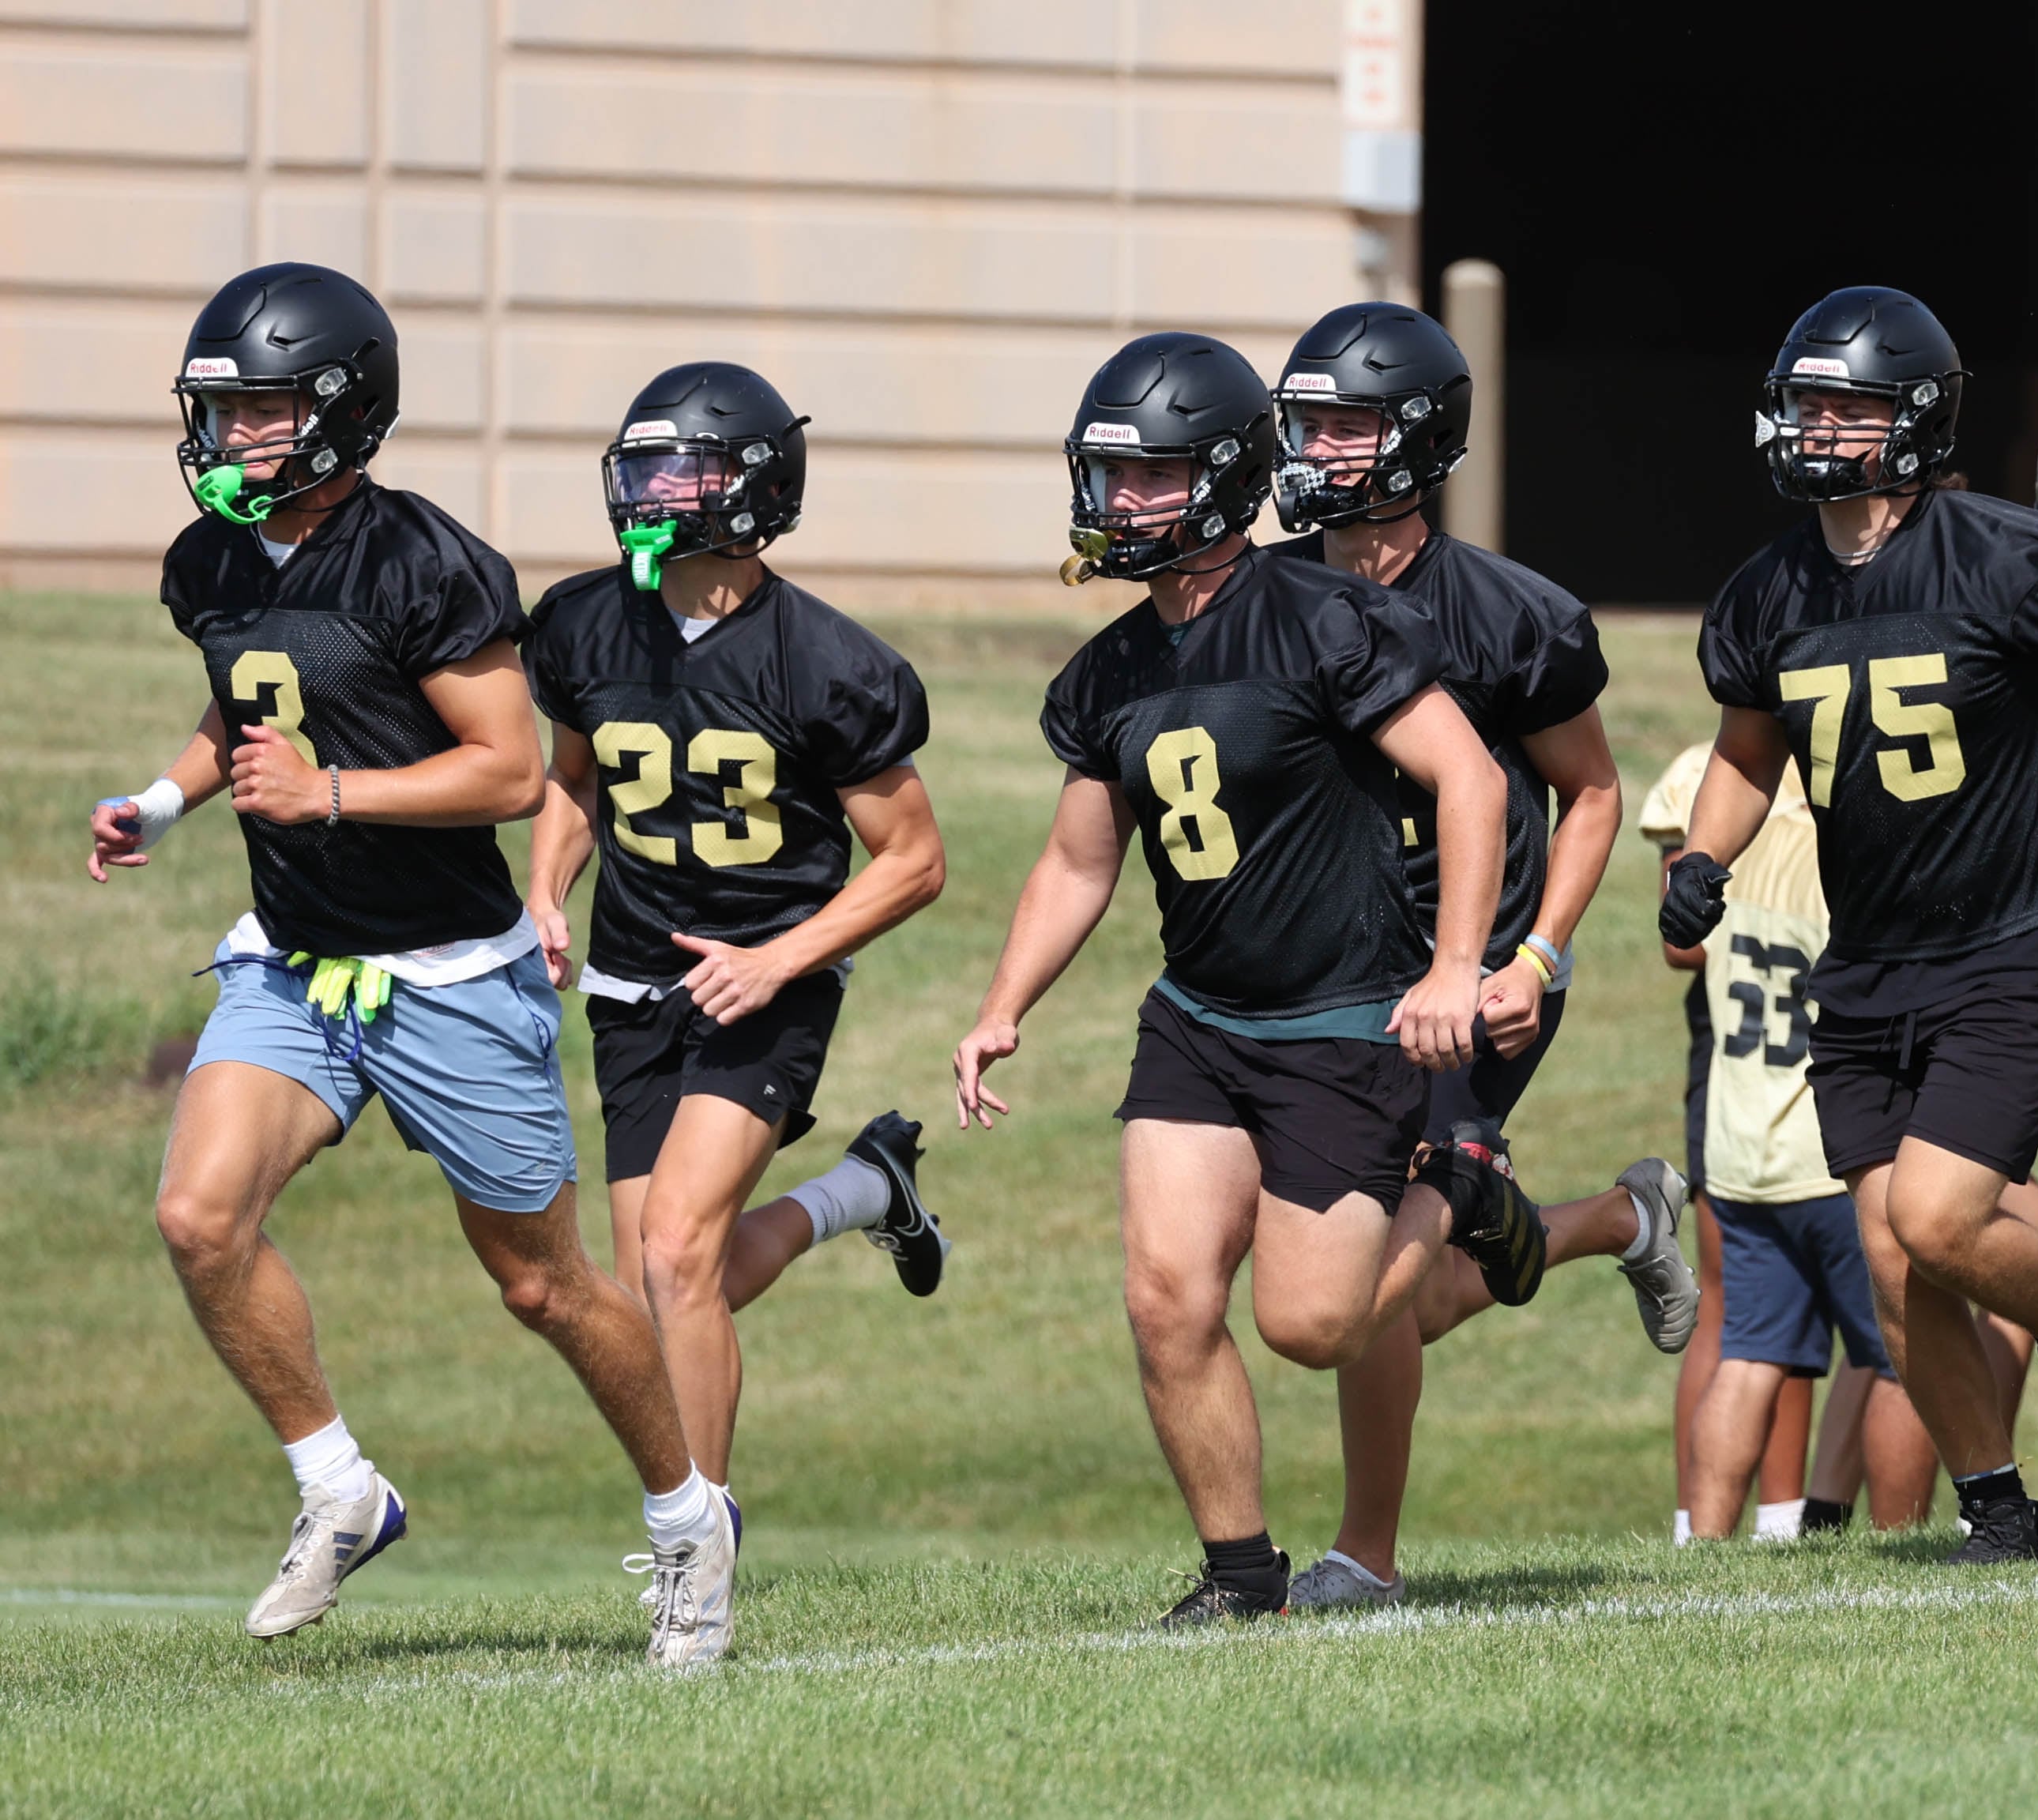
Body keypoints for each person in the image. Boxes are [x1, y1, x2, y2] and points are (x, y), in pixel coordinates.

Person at [88, 261, 718, 1661]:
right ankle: (340, 1488)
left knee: (543, 1283)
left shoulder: (420, 558)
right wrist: (167, 799)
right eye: (222, 410)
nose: (232, 436)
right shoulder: (211, 559)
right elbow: (252, 694)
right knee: (198, 1216)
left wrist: (327, 798)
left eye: (260, 411)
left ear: (339, 411)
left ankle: (689, 1523)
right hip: (298, 965)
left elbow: (504, 772)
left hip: (445, 971)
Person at [949, 332, 1526, 1624]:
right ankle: (1240, 1578)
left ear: (1223, 479)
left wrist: (1452, 967)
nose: (1122, 504)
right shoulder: (1106, 672)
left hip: (1340, 1019)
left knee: (1314, 1327)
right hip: (1200, 1023)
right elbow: (1075, 863)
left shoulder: (1321, 616)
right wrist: (1000, 1008)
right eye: (1110, 478)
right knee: (1164, 1297)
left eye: (1153, 476)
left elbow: (1472, 777)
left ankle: (1458, 1197)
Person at [1668, 286, 2038, 1563]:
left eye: (1846, 407)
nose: (1815, 429)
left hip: (2015, 941)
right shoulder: (1766, 594)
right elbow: (1749, 756)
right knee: (1890, 1261)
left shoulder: (1998, 551)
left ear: (1912, 420)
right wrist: (1701, 857)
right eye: (1803, 403)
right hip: (1865, 961)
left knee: (1937, 1217)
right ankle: (1997, 1508)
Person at [1264, 303, 1695, 1610]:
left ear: (1414, 439)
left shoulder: (1514, 617)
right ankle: (1620, 1218)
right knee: (1431, 1289)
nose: (1317, 449)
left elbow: (1595, 794)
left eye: (1346, 425)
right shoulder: (1268, 596)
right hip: (1326, 979)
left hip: (1474, 972)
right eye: (1309, 423)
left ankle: (1363, 1555)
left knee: (1368, 1281)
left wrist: (1538, 959)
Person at [524, 363, 951, 1574]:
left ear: (757, 489)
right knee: (659, 1286)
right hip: (629, 979)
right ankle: (862, 1193)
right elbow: (576, 775)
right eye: (643, 465)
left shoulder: (824, 659)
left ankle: (695, 1550)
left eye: (686, 471)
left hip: (773, 973)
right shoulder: (580, 620)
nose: (654, 491)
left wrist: (777, 961)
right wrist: (545, 890)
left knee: (672, 1256)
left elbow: (913, 861)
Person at [1659, 743, 1911, 1537]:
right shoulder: (1846, 838)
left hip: (1737, 1147)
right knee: (1906, 1355)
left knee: (1748, 1353)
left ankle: (1703, 1540)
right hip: (1830, 1148)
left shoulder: (1726, 839)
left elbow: (1684, 945)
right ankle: (1903, 1534)